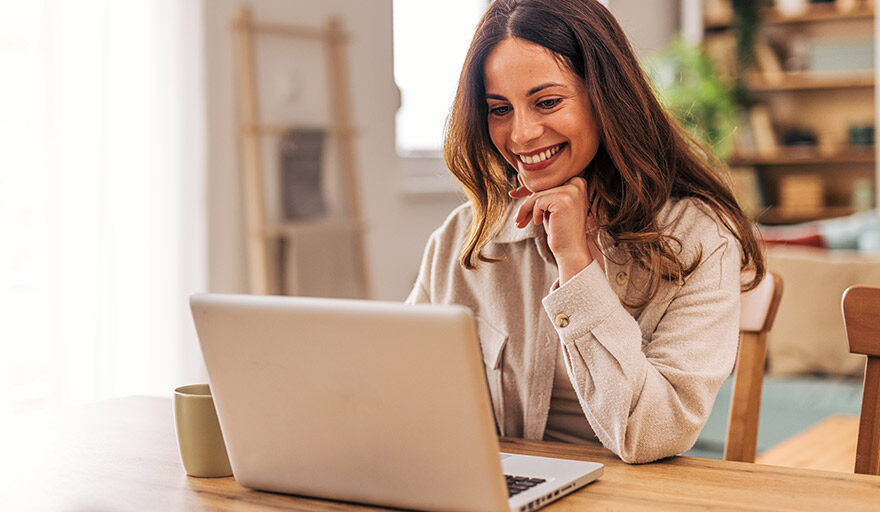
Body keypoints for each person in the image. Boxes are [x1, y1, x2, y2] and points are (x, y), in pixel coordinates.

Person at [405, 0, 765, 464]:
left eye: (547, 102)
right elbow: (405, 394)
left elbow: (651, 434)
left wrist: (575, 264)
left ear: (606, 97)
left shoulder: (698, 237)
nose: (521, 134)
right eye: (499, 109)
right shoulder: (464, 239)